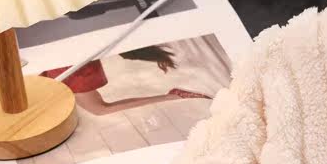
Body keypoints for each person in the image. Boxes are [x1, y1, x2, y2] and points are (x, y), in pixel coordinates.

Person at [41, 45, 209, 116]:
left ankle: (174, 96)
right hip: (60, 66)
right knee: (98, 109)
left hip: (65, 69)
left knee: (99, 109)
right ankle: (173, 95)